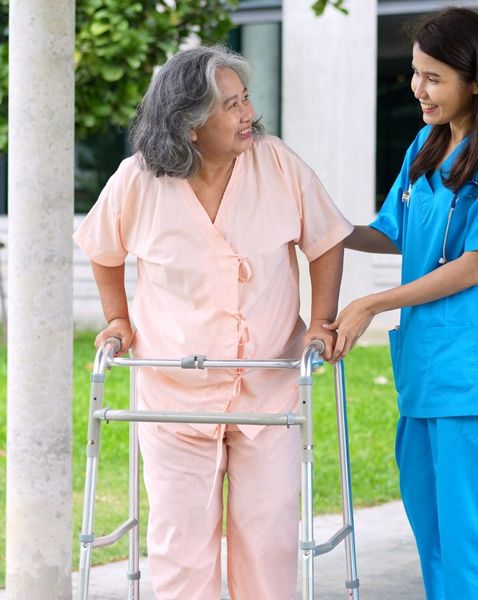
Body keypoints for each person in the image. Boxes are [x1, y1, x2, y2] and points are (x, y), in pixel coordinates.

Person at [74, 45, 352, 600]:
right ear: (190, 125)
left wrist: (321, 321)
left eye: (245, 98)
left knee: (268, 536)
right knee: (181, 541)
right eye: (230, 105)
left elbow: (324, 239)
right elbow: (103, 249)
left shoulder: (277, 163)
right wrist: (116, 319)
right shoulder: (137, 180)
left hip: (269, 384)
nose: (247, 112)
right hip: (175, 391)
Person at [324, 8, 478, 599]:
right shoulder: (426, 143)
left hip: (474, 375)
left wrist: (372, 302)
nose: (418, 88)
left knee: (473, 541)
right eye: (416, 73)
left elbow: (475, 265)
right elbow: (391, 231)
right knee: (433, 534)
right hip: (424, 371)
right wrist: (320, 226)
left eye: (434, 77)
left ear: (477, 79)